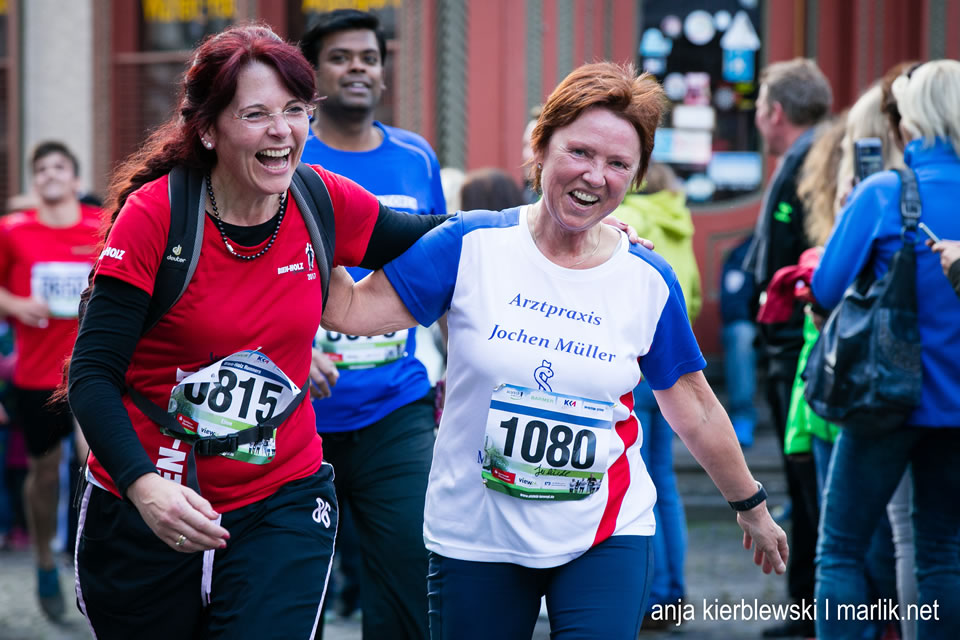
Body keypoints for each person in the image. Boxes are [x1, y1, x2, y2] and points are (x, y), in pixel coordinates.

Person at [320, 61, 788, 640]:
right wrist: (308, 210)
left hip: (604, 532)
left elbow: (694, 405)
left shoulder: (646, 278)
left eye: (618, 164)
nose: (595, 176)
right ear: (541, 147)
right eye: (579, 152)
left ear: (636, 176)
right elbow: (348, 310)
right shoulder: (471, 243)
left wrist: (751, 505)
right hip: (478, 535)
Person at [65, 24, 450, 639]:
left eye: (295, 110)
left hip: (281, 499)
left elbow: (436, 236)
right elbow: (91, 373)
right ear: (208, 130)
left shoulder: (319, 201)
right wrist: (144, 487)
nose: (282, 130)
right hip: (152, 504)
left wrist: (547, 225)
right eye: (256, 114)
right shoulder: (157, 215)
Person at [298, 10, 446, 638]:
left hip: (396, 403)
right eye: (340, 57)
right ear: (313, 75)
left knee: (412, 573)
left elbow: (445, 265)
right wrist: (285, 351)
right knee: (293, 586)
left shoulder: (416, 157)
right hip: (295, 413)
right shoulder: (287, 156)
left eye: (369, 57)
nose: (357, 67)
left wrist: (456, 365)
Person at [811, 59, 960, 639]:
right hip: (955, 409)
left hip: (884, 401)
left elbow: (826, 289)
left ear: (913, 117)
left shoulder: (884, 192)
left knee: (840, 550)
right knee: (943, 552)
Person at [742, 58, 831, 638]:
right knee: (806, 486)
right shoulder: (813, 154)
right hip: (794, 345)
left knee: (808, 485)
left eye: (758, 106)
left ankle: (813, 614)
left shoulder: (810, 159)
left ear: (775, 112)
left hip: (798, 349)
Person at [0, 141, 100, 621]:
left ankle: (94, 565)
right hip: (37, 375)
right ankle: (43, 560)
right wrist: (17, 305)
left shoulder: (100, 226)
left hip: (92, 369)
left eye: (60, 166)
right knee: (44, 474)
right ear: (34, 181)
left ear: (76, 180)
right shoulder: (13, 231)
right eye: (41, 169)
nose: (50, 174)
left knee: (95, 461)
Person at [612, 162, 701, 627]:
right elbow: (694, 298)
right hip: (671, 362)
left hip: (635, 367)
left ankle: (652, 597)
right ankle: (672, 592)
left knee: (639, 482)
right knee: (664, 482)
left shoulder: (624, 219)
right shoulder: (681, 221)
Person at [720, 236, 758, 448]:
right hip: (754, 325)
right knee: (740, 334)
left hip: (791, 327)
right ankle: (742, 415)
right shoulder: (745, 250)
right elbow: (733, 305)